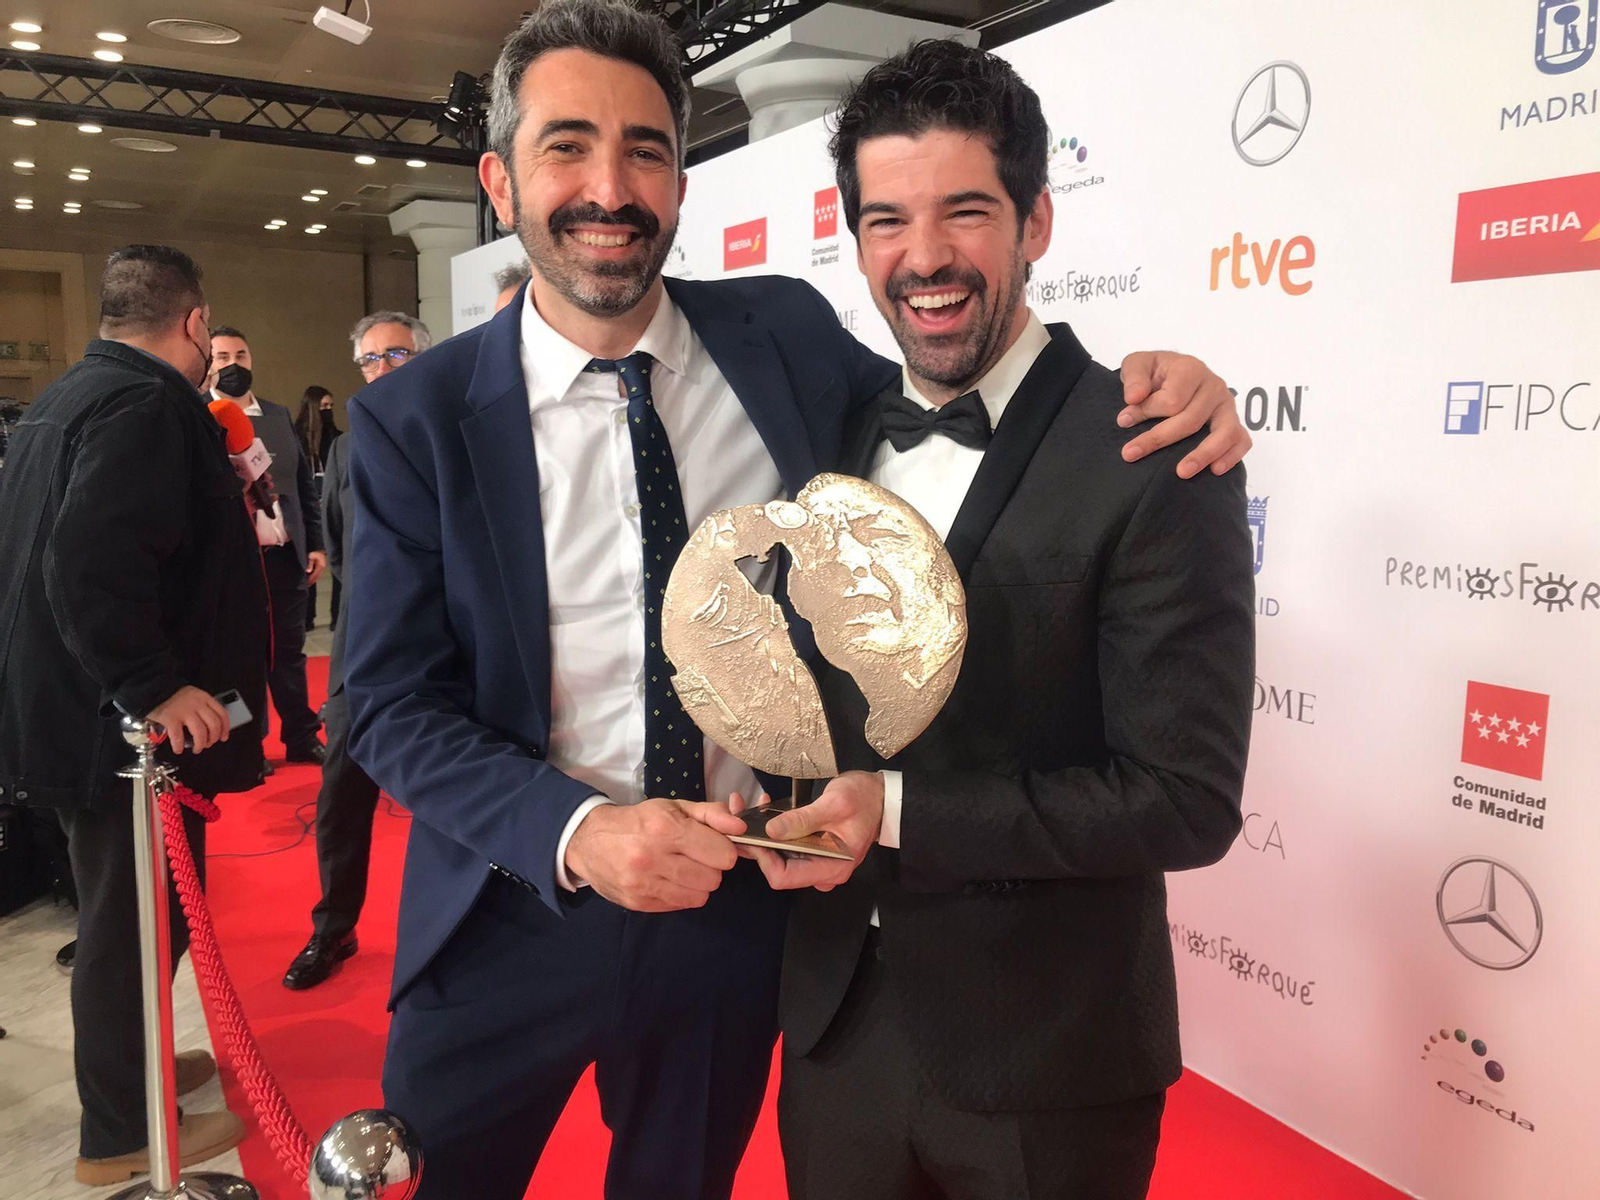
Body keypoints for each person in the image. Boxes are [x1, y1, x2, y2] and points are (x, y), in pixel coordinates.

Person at [343, 4, 1250, 1197]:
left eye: (648, 150)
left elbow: (984, 405)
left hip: (739, 916)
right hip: (514, 906)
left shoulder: (779, 337)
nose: (608, 187)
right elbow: (389, 705)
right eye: (566, 146)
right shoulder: (414, 418)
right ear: (500, 182)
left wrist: (1180, 379)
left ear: (681, 180)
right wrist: (579, 832)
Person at [738, 42, 1256, 1200]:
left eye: (965, 211)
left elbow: (1184, 799)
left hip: (1048, 1060)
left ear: (1036, 222)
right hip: (835, 1036)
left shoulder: (1152, 450)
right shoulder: (828, 435)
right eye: (886, 221)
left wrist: (898, 815)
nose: (924, 259)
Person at [0, 244, 267, 1186]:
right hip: (116, 727)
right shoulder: (149, 404)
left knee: (143, 911)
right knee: (134, 921)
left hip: (71, 710)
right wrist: (151, 684)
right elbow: (90, 557)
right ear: (195, 324)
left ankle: (135, 1066)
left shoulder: (70, 395)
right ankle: (119, 1129)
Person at [282, 311, 432, 991]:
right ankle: (333, 928)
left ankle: (456, 941)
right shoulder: (342, 452)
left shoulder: (455, 434)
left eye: (396, 355)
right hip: (360, 652)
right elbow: (339, 552)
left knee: (448, 807)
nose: (381, 369)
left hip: (445, 654)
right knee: (342, 797)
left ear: (423, 359)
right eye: (370, 360)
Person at [209, 326, 327, 764]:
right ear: (208, 361)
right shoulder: (197, 416)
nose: (232, 364)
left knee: (289, 655)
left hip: (284, 558)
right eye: (221, 356)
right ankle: (246, 746)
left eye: (240, 354)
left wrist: (315, 544)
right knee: (239, 658)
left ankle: (301, 735)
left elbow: (301, 488)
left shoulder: (277, 416)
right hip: (233, 565)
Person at [295, 386, 335, 631]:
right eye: (323, 407)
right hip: (306, 507)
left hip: (330, 504)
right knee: (309, 565)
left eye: (331, 406)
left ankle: (337, 618)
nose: (328, 411)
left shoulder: (335, 437)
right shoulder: (295, 435)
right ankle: (306, 618)